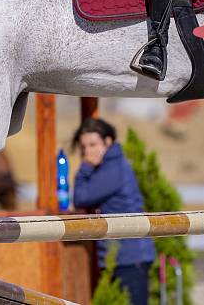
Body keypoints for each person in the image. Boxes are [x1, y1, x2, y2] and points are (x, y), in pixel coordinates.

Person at [72, 118, 155, 305]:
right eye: (84, 146)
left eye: (93, 144)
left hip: (129, 257)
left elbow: (81, 197)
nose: (87, 152)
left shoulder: (113, 168)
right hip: (125, 255)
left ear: (108, 142)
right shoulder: (110, 165)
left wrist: (84, 168)